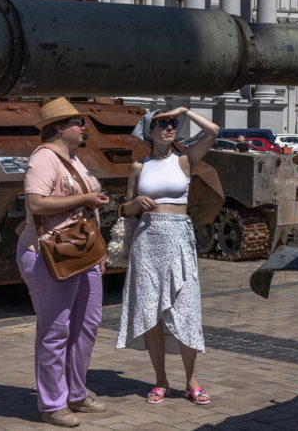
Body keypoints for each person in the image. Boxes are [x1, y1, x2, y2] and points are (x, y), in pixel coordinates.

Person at [16, 97, 110, 427]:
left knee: (86, 326)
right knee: (55, 331)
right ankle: (52, 404)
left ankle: (76, 392)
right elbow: (37, 203)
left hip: (82, 252)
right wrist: (84, 198)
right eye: (78, 123)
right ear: (60, 128)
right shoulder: (43, 159)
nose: (84, 128)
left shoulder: (73, 157)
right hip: (48, 255)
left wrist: (99, 252)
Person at [116, 106, 219, 405]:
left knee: (186, 310)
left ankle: (192, 380)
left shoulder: (184, 159)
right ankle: (161, 380)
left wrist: (185, 110)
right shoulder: (139, 166)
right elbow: (126, 210)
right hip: (147, 240)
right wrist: (136, 202)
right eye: (162, 124)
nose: (169, 127)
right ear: (149, 132)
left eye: (173, 123)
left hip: (178, 238)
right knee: (151, 314)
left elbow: (213, 132)